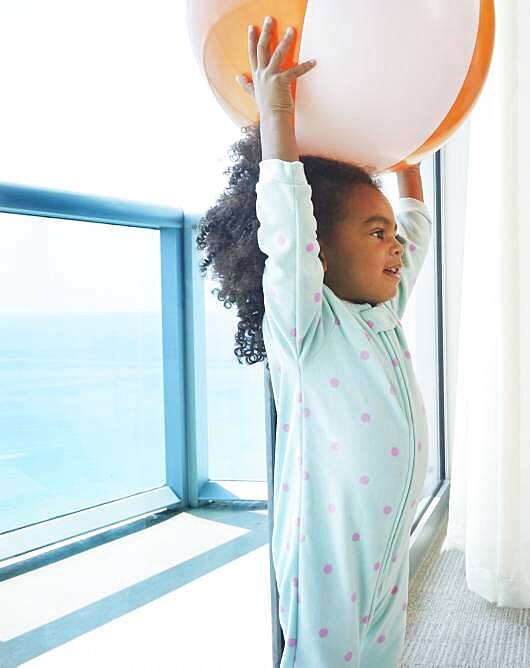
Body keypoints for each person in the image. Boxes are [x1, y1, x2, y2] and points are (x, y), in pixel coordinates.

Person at [195, 15, 431, 666]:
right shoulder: (308, 326)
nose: (397, 247)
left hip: (386, 542)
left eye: (390, 235)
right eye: (375, 234)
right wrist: (277, 115)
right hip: (327, 551)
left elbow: (417, 225)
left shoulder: (382, 310)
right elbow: (287, 226)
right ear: (321, 255)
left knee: (381, 653)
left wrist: (410, 157)